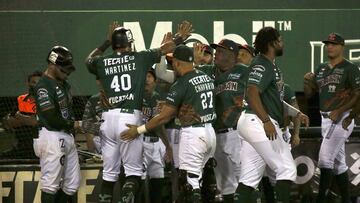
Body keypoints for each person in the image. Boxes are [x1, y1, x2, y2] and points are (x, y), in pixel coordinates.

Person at [85, 20, 182, 202]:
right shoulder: (140, 57)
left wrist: (106, 42)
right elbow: (165, 48)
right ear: (130, 43)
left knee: (109, 173)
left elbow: (88, 60)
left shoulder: (102, 61)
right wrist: (179, 38)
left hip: (107, 120)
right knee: (133, 173)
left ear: (114, 44)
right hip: (128, 119)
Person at [122, 45, 217, 203]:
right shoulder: (205, 76)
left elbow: (163, 118)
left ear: (178, 63)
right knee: (202, 180)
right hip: (210, 134)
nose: (172, 66)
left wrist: (137, 130)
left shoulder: (181, 84)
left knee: (189, 184)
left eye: (173, 63)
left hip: (193, 135)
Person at [236, 27, 308, 203]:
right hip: (258, 122)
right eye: (280, 39)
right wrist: (266, 121)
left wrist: (296, 112)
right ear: (272, 43)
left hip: (252, 122)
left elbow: (273, 100)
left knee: (249, 178)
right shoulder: (262, 64)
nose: (282, 43)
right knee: (287, 169)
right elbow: (252, 93)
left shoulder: (269, 64)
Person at [303, 32, 360, 203]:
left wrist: (347, 114)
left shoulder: (350, 68)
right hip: (325, 118)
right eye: (328, 44)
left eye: (333, 44)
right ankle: (347, 200)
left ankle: (321, 199)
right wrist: (307, 83)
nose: (330, 46)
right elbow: (309, 95)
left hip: (342, 117)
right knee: (339, 164)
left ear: (342, 46)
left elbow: (358, 94)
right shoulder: (321, 68)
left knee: (325, 159)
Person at [33, 45, 80, 202]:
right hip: (51, 135)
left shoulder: (63, 84)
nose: (67, 73)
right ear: (52, 65)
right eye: (63, 69)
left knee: (72, 185)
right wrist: (76, 124)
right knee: (50, 185)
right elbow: (51, 117)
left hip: (66, 135)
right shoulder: (43, 86)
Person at [136, 69, 172, 203]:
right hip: (140, 142)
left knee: (158, 181)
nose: (146, 79)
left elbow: (159, 125)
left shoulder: (158, 99)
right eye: (144, 76)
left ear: (155, 81)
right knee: (138, 183)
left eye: (149, 76)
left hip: (156, 144)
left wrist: (167, 146)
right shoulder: (135, 97)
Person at [1, 70, 42, 158]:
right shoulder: (21, 99)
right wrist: (27, 120)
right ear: (28, 83)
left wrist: (20, 118)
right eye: (33, 82)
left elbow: (36, 122)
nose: (36, 86)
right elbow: (7, 121)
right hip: (21, 145)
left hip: (42, 148)